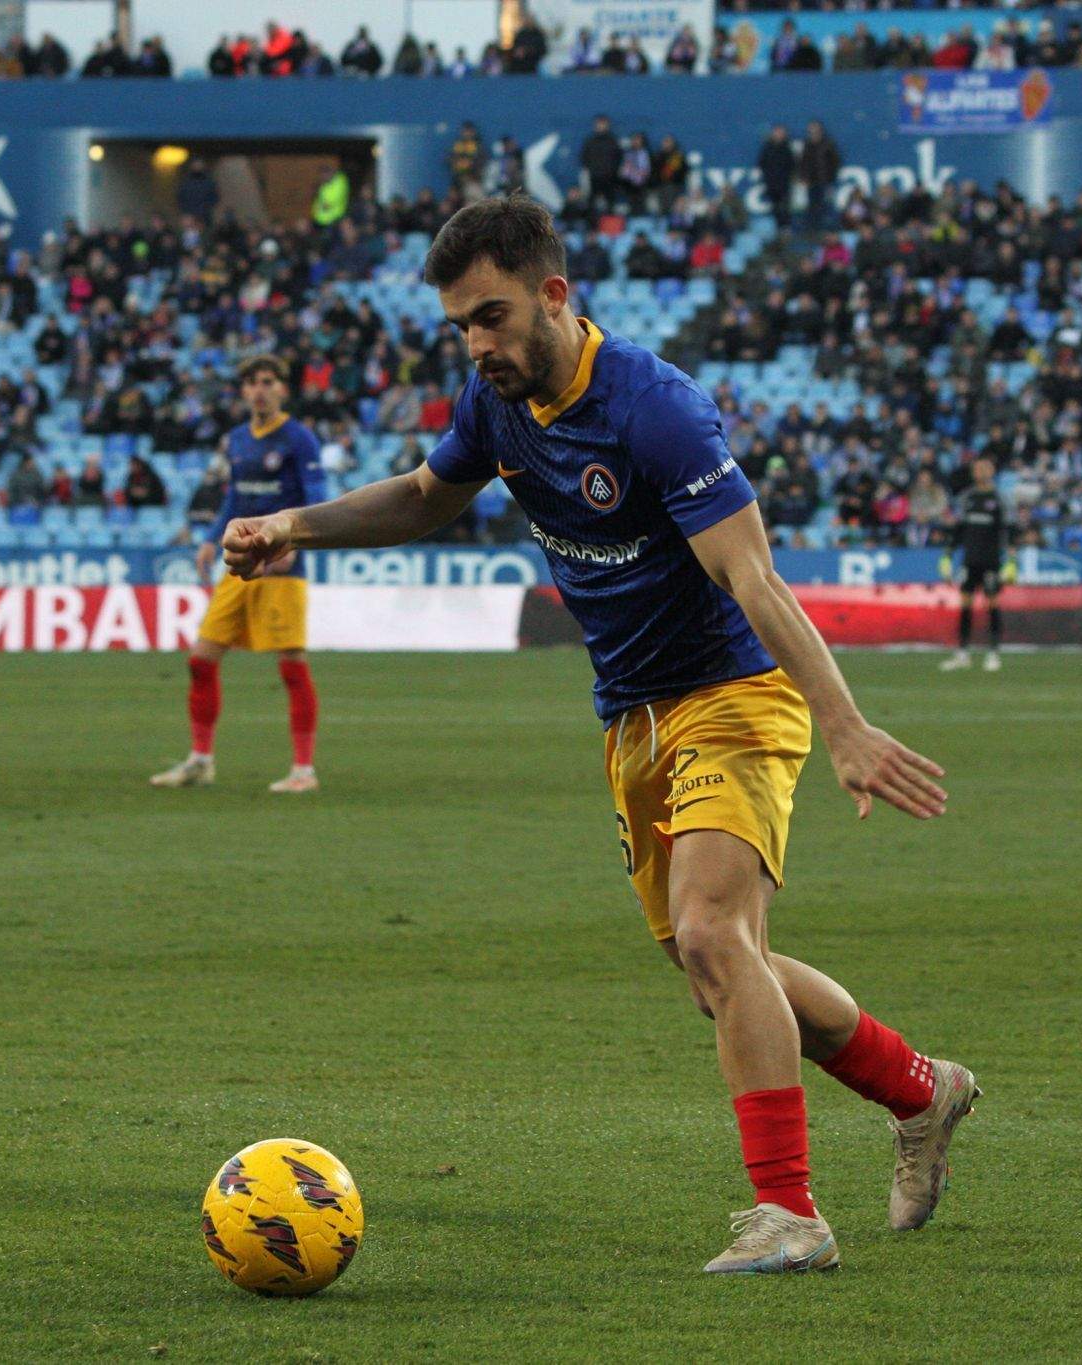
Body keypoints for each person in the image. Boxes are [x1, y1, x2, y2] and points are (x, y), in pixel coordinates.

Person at [219, 197, 971, 1275]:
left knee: (714, 936)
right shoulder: (498, 403)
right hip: (630, 717)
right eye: (459, 327)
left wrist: (842, 723)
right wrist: (292, 524)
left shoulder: (655, 410)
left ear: (554, 295)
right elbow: (426, 495)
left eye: (491, 316)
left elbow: (751, 575)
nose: (476, 344)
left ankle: (789, 1214)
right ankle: (920, 1090)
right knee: (721, 967)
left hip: (733, 695)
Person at [151, 354, 326, 795]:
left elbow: (317, 497)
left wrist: (295, 543)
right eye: (252, 382)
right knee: (201, 659)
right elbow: (235, 498)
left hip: (282, 568)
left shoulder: (299, 438)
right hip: (240, 564)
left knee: (292, 666)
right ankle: (200, 761)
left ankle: (303, 770)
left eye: (268, 381)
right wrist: (211, 539)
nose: (259, 389)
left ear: (282, 388)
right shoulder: (236, 439)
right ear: (244, 391)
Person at [941, 457, 1008, 672]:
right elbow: (959, 529)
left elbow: (1006, 530)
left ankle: (993, 653)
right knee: (965, 604)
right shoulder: (967, 498)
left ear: (992, 471)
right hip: (970, 560)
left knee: (992, 604)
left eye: (984, 468)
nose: (980, 472)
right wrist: (948, 555)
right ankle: (962, 654)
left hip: (991, 561)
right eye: (977, 469)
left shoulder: (998, 499)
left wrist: (1010, 559)